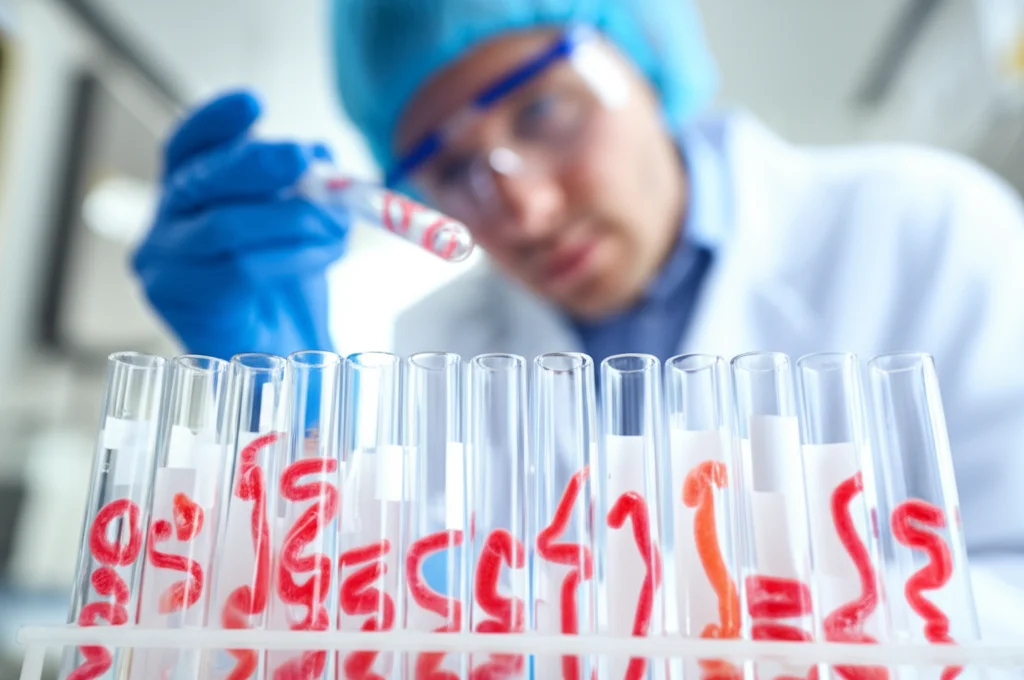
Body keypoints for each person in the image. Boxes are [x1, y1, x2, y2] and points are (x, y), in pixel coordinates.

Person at [132, 0, 1024, 636]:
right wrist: (288, 418)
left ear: (640, 53)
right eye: (451, 172)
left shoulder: (927, 228)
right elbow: (403, 632)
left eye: (544, 109)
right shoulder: (438, 344)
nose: (523, 208)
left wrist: (754, 633)